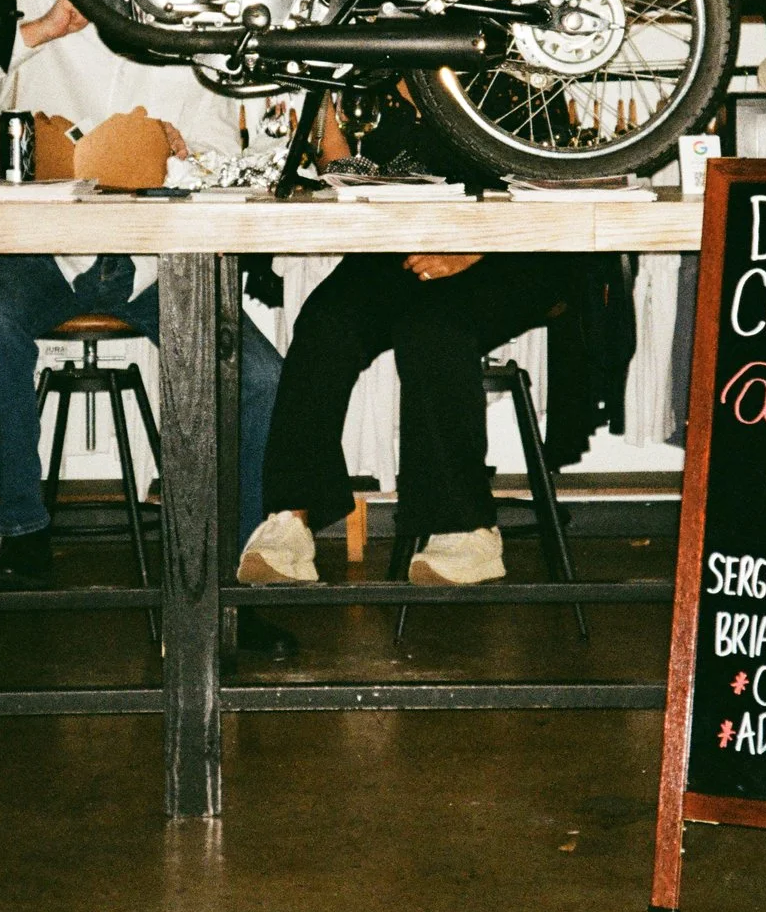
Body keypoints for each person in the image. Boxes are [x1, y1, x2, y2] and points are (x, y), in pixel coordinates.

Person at [236, 90, 631, 588]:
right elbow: (352, 170)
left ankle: (467, 529)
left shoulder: (504, 69)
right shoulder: (376, 70)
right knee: (327, 321)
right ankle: (290, 519)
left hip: (517, 248)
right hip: (409, 242)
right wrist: (321, 106)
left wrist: (474, 246)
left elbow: (554, 186)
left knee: (432, 327)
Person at [0, 0, 285, 593]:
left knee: (259, 375)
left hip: (152, 264)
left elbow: (223, 160)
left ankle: (230, 574)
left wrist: (180, 150)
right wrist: (38, 32)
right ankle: (23, 528)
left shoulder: (195, 37)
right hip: (44, 253)